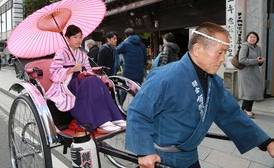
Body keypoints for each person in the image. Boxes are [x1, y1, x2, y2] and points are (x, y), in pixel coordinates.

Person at [125, 22, 274, 168]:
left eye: (225, 53)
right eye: (220, 52)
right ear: (197, 49)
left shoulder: (214, 83)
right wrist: (144, 151)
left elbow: (232, 115)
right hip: (160, 158)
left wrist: (266, 142)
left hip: (189, 157)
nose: (223, 59)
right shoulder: (165, 76)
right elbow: (139, 112)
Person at [46, 24, 125, 134]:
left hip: (82, 80)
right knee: (90, 82)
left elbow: (88, 69)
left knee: (96, 80)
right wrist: (71, 69)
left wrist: (85, 72)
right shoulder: (61, 53)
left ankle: (115, 117)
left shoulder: (82, 54)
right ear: (67, 38)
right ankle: (102, 121)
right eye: (75, 37)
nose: (78, 40)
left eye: (80, 37)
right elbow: (53, 73)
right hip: (68, 83)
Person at [238, 31, 265, 118]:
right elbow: (241, 60)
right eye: (251, 37)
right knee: (250, 92)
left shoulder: (258, 48)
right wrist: (256, 60)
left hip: (255, 72)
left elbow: (259, 61)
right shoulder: (245, 47)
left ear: (257, 39)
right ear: (247, 38)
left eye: (254, 37)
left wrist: (261, 61)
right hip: (246, 72)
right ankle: (248, 110)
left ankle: (242, 110)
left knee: (249, 92)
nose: (252, 39)